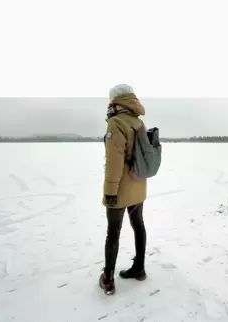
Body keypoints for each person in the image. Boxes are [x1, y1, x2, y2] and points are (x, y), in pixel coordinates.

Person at [99, 84, 148, 295]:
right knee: (138, 225)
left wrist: (110, 191)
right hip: (138, 183)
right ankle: (139, 268)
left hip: (120, 187)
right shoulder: (138, 121)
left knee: (113, 232)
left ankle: (108, 279)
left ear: (115, 101)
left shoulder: (116, 122)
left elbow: (114, 162)